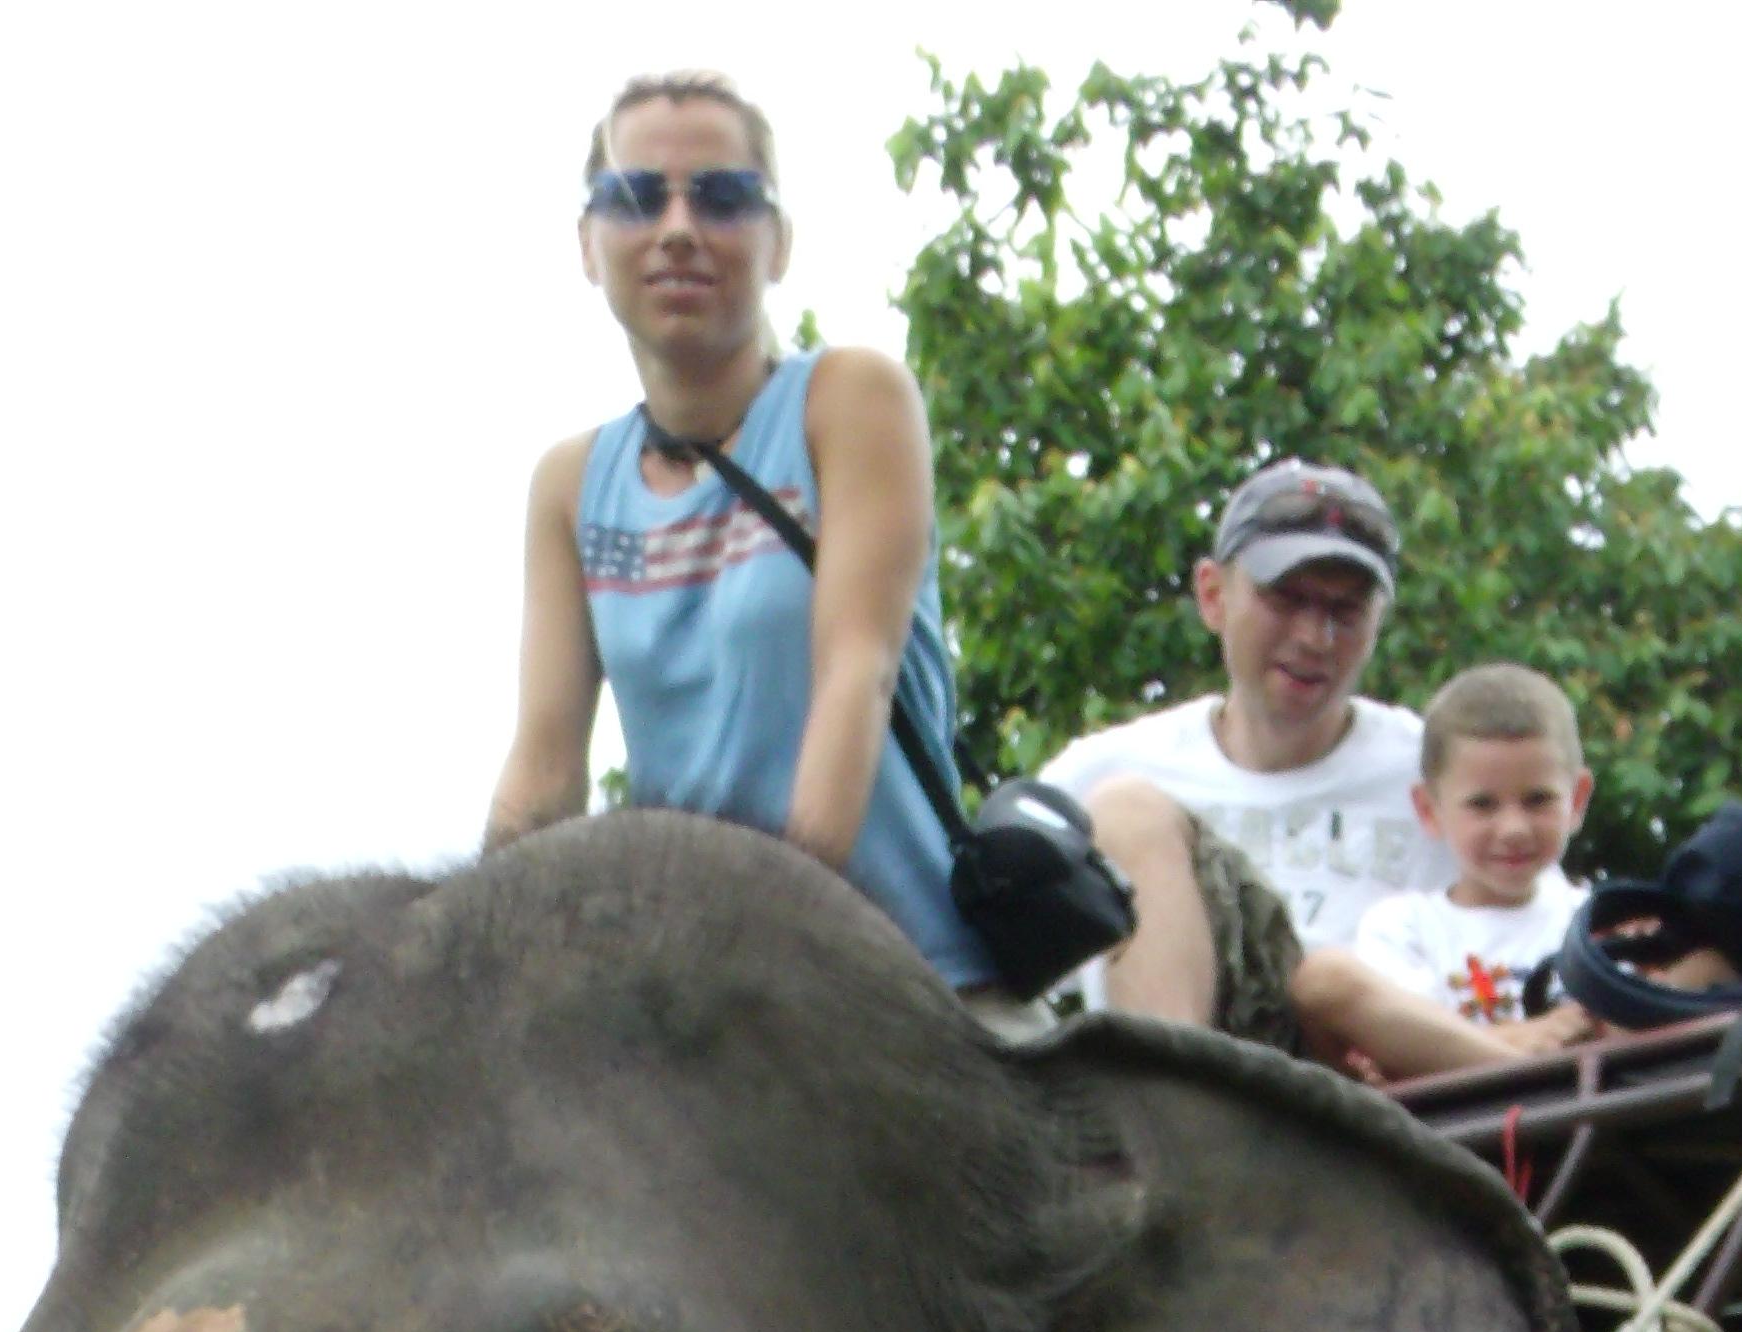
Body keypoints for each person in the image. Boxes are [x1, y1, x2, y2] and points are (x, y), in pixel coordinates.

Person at [486, 71, 996, 992]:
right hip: (693, 995)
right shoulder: (571, 485)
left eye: (722, 197)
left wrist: (772, 944)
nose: (678, 228)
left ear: (778, 244)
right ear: (588, 244)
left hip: (900, 972)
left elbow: (856, 672)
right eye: (637, 197)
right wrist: (472, 964)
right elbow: (546, 768)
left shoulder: (845, 403)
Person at [1039, 461, 1580, 1079]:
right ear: (1213, 595)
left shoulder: (1443, 770)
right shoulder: (1100, 771)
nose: (1315, 638)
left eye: (1344, 612)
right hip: (1216, 1073)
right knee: (1128, 811)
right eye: (1286, 600)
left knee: (1330, 983)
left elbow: (1536, 930)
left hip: (1385, 1092)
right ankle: (1179, 1114)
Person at [1354, 664, 1592, 1026]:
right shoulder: (1403, 930)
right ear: (1429, 810)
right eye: (1482, 805)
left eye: (1538, 800)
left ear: (1576, 801)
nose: (1514, 829)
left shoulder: (1597, 923)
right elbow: (1414, 1049)